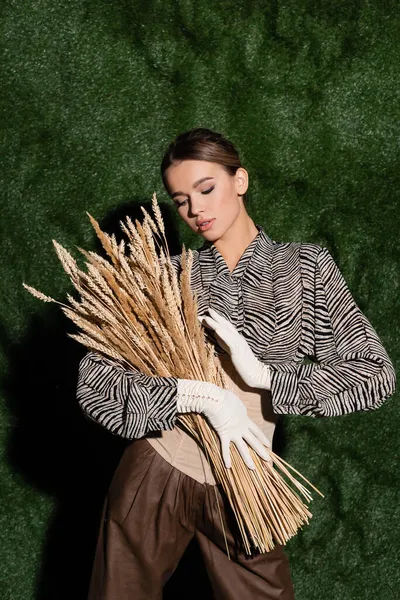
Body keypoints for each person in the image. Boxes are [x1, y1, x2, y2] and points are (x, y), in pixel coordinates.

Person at [76, 127, 396, 600]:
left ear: (239, 180)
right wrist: (193, 395)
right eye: (181, 200)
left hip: (245, 479)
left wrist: (269, 378)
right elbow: (94, 382)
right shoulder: (167, 276)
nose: (195, 210)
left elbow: (375, 374)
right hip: (156, 469)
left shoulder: (304, 268)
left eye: (206, 189)